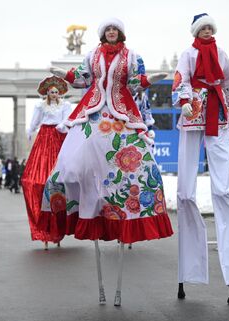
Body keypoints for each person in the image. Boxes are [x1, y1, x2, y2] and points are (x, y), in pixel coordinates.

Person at [43, 18, 173, 305]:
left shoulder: (131, 56)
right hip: (93, 110)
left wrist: (150, 79)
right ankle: (80, 198)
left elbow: (136, 82)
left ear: (120, 33)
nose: (111, 32)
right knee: (75, 157)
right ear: (103, 33)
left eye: (114, 29)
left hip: (121, 111)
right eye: (107, 29)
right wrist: (63, 75)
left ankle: (126, 200)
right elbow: (81, 77)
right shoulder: (92, 55)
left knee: (132, 160)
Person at [172, 13, 229, 304]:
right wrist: (184, 101)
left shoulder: (221, 53)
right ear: (196, 31)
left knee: (223, 189)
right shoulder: (188, 53)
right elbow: (180, 78)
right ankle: (189, 269)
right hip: (194, 112)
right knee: (185, 191)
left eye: (210, 27)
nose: (207, 31)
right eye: (203, 28)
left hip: (218, 116)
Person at [21, 76, 72, 249]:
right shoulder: (41, 106)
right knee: (39, 179)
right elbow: (34, 122)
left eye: (57, 92)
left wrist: (63, 126)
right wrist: (30, 132)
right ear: (47, 93)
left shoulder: (65, 106)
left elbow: (67, 120)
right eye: (52, 92)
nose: (55, 94)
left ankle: (61, 226)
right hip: (44, 138)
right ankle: (44, 227)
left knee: (61, 180)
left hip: (59, 137)